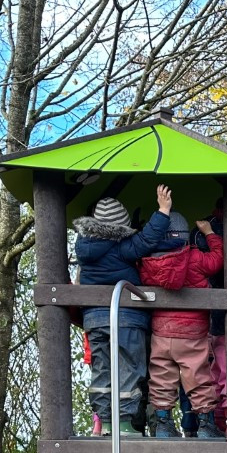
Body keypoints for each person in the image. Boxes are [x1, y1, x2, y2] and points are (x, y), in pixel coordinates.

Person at [73, 185, 174, 435]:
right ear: (121, 226)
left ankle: (105, 422)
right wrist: (163, 210)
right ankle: (125, 422)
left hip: (95, 319)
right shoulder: (124, 247)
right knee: (129, 366)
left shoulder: (84, 249)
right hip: (127, 318)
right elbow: (148, 239)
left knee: (102, 367)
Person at [138, 213, 225, 438]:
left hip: (161, 331)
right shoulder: (195, 258)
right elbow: (217, 260)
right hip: (192, 332)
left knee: (161, 378)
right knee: (198, 377)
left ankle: (164, 426)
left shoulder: (149, 264)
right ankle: (206, 427)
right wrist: (210, 234)